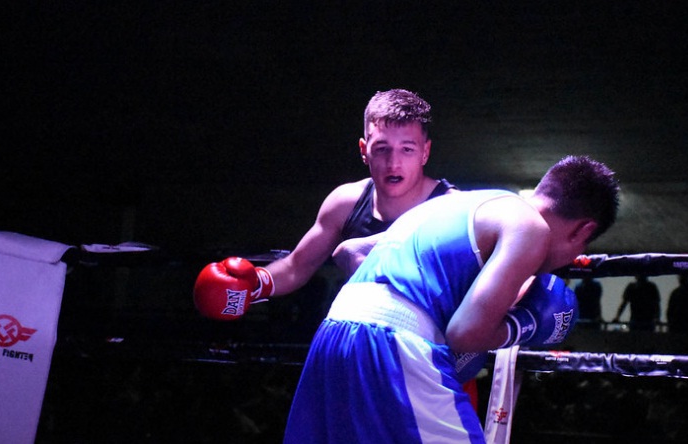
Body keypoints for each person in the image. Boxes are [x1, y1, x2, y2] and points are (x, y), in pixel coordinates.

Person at [271, 155, 619, 442]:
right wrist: (525, 325)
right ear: (583, 230)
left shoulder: (458, 203)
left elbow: (349, 252)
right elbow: (465, 334)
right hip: (394, 347)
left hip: (335, 333)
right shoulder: (531, 228)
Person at [192, 89, 455, 322]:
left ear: (425, 152)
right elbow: (298, 266)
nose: (393, 163)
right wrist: (255, 285)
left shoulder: (452, 209)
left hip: (434, 355)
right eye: (382, 148)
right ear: (364, 150)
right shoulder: (346, 203)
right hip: (364, 343)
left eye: (407, 149)